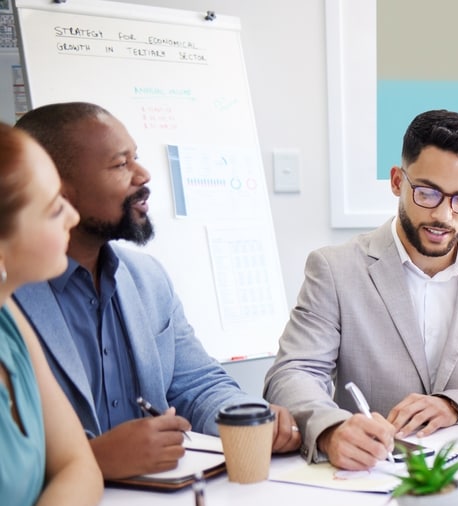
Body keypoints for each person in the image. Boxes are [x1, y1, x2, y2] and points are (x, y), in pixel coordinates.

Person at [0, 122, 234, 506]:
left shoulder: (10, 319)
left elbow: (75, 466)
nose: (65, 214)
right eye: (50, 204)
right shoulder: (19, 300)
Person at [12, 102, 300, 480]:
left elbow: (197, 384)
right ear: (59, 189)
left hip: (159, 500)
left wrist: (248, 417)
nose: (143, 175)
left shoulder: (147, 278)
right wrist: (94, 459)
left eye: (138, 158)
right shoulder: (11, 296)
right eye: (120, 164)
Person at [264, 109, 458, 470]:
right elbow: (292, 374)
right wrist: (331, 429)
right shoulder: (335, 269)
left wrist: (456, 406)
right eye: (427, 193)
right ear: (396, 181)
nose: (444, 216)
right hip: (369, 474)